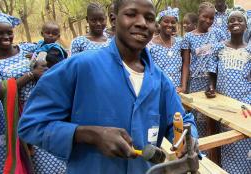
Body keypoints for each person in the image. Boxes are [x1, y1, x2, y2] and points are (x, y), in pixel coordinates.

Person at [18, 0, 199, 173]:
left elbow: (182, 121)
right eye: (131, 14)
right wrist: (90, 134)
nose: (142, 23)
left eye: (150, 18)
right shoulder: (80, 67)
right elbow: (31, 124)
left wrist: (189, 139)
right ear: (113, 19)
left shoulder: (160, 81)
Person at [0, 11, 66, 174]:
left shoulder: (28, 48)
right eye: (0, 33)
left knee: (53, 158)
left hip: (44, 109)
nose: (6, 36)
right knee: (30, 161)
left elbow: (54, 59)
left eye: (9, 32)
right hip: (17, 117)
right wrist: (32, 74)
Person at [206, 7, 251, 173]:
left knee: (243, 139)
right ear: (227, 26)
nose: (236, 22)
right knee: (227, 142)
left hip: (245, 104)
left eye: (240, 20)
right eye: (232, 20)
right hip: (224, 105)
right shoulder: (218, 48)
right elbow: (212, 70)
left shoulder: (250, 50)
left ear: (246, 26)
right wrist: (211, 87)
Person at [181, 2, 226, 139]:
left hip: (214, 82)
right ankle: (200, 152)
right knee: (198, 119)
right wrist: (183, 86)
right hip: (196, 83)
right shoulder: (188, 37)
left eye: (211, 18)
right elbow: (186, 64)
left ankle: (215, 155)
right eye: (205, 17)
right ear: (198, 15)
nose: (208, 20)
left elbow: (225, 53)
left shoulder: (218, 33)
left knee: (215, 118)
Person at [148, 7, 184, 92]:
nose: (170, 25)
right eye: (166, 21)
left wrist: (183, 86)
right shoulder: (150, 44)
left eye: (173, 22)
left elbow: (185, 64)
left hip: (177, 90)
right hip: (158, 90)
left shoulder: (180, 42)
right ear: (159, 22)